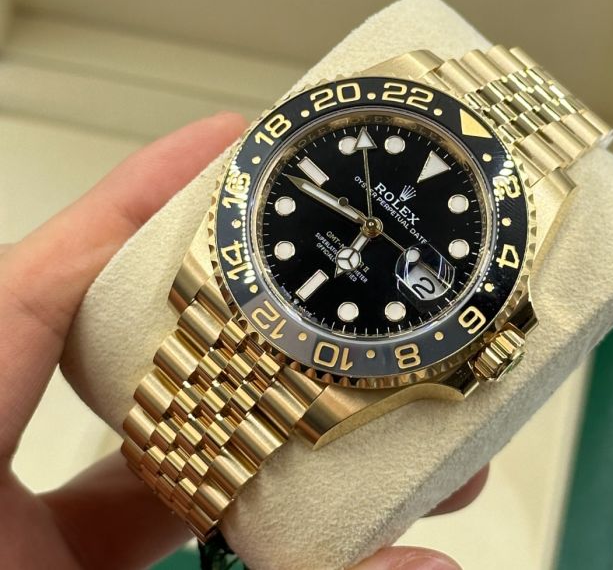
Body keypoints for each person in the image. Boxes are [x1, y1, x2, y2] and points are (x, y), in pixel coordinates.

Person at [0, 113, 488, 570]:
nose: (372, 226)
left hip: (307, 384)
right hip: (217, 315)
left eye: (373, 228)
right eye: (369, 224)